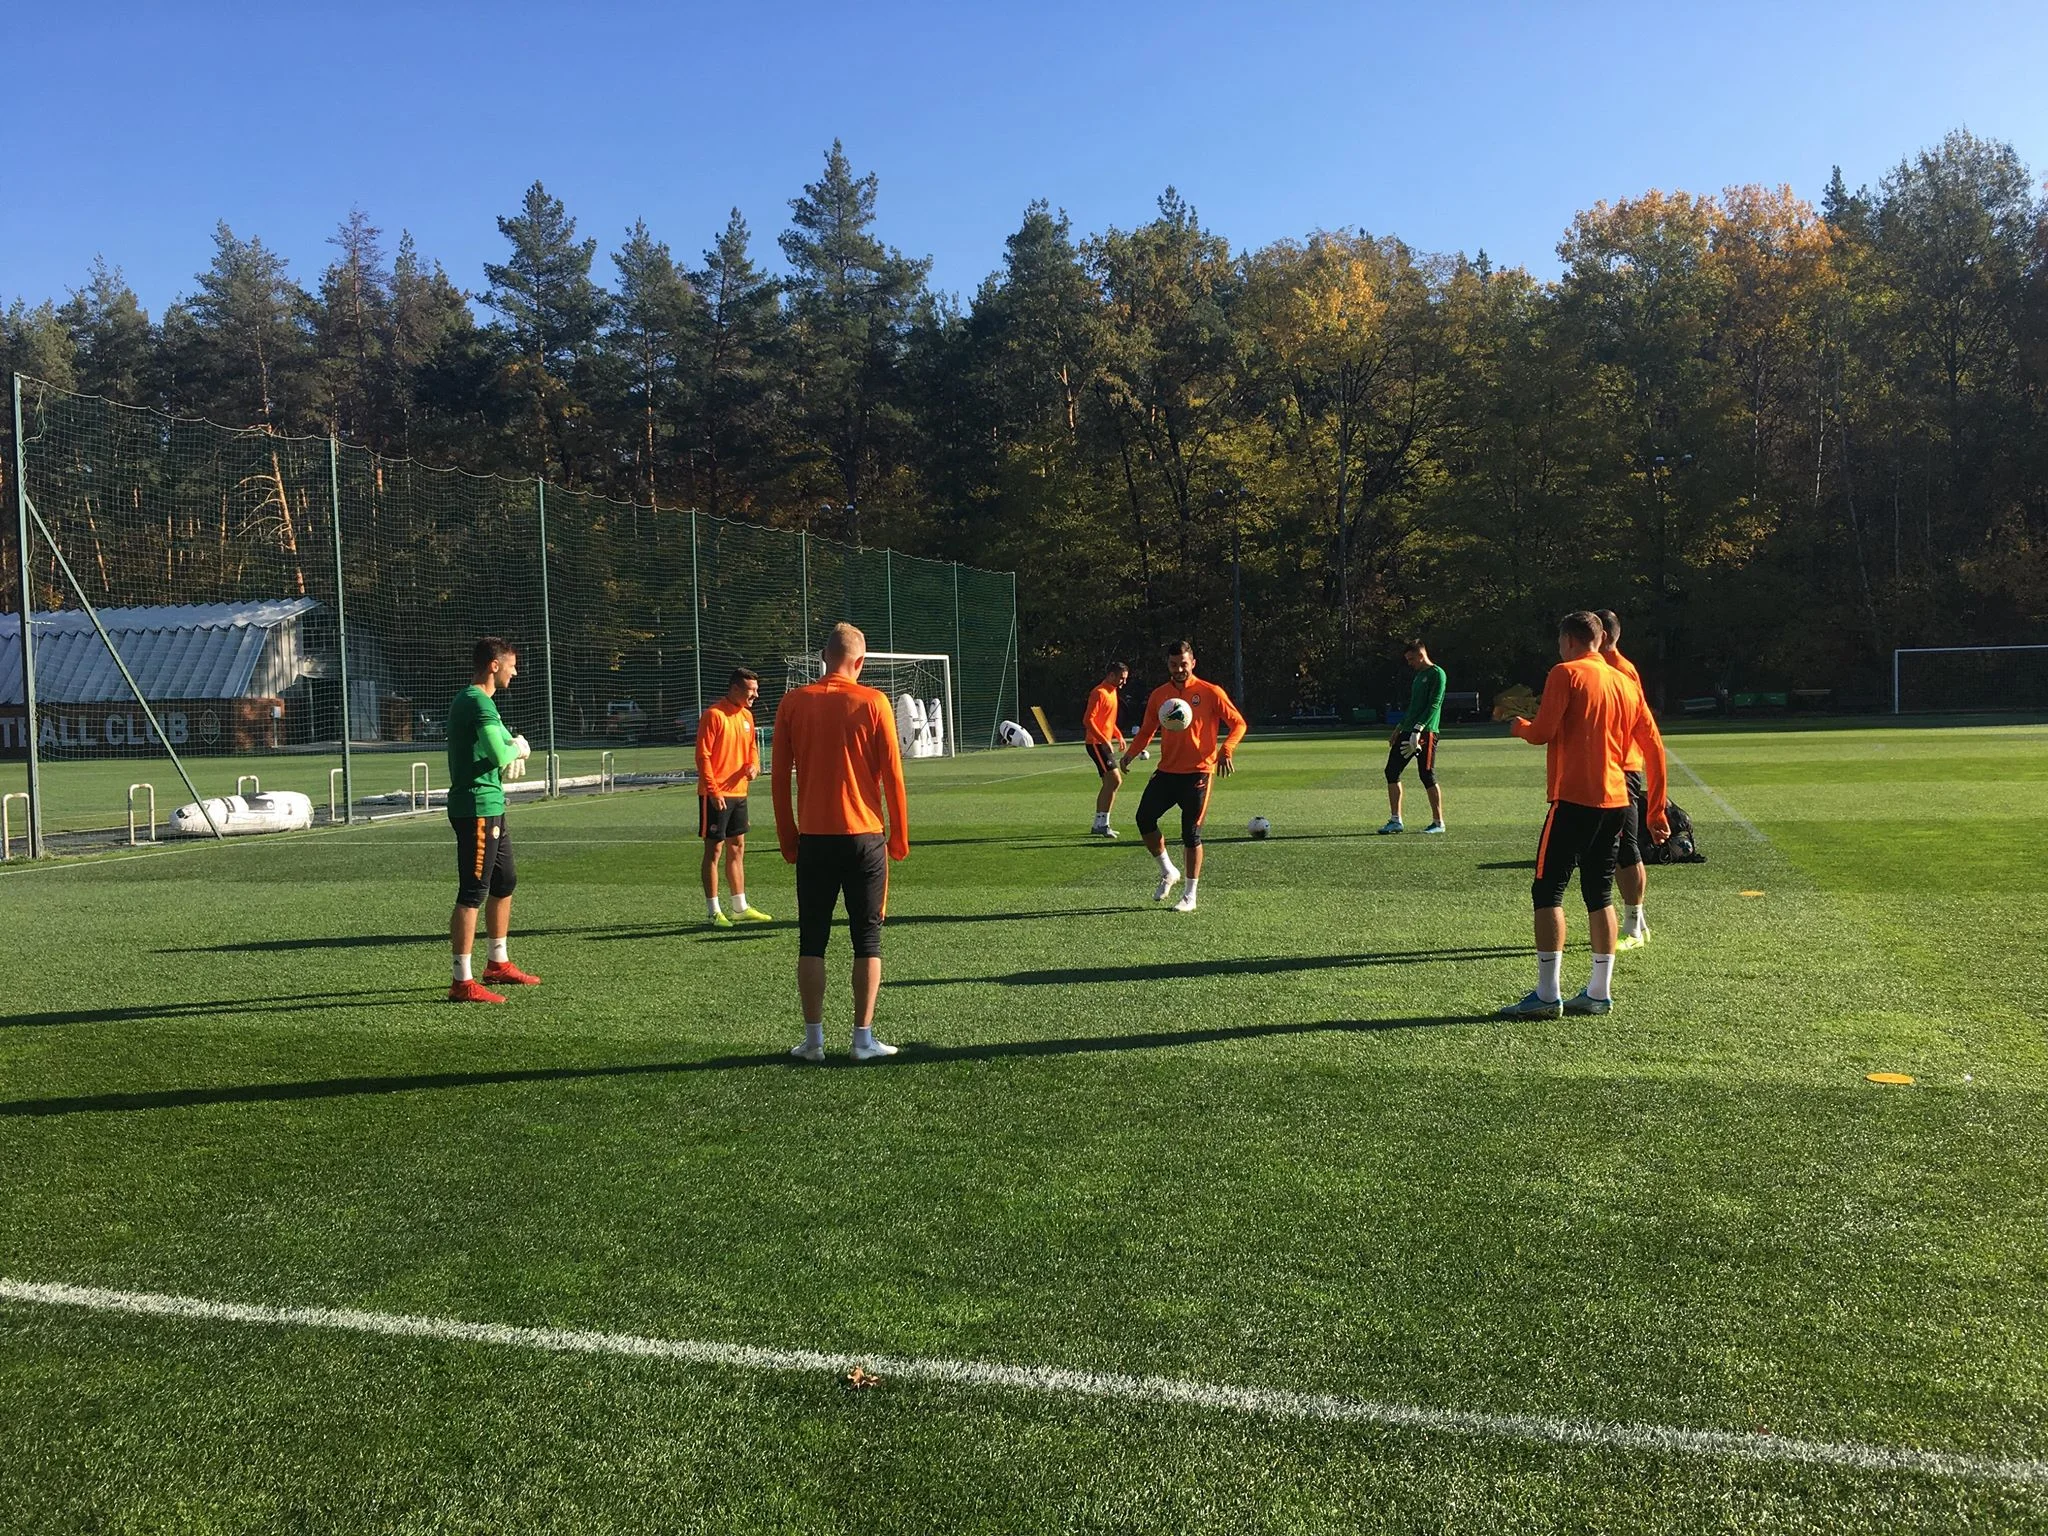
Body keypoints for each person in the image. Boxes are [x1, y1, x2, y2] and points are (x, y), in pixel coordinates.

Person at [1500, 611, 1667, 1018]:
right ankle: (1598, 991)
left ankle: (1546, 993)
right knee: (1599, 893)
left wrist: (1519, 726)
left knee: (1548, 891)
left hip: (1575, 797)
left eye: (1560, 643)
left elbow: (1542, 733)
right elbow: (1652, 744)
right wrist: (1656, 808)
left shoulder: (1565, 673)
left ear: (1570, 641)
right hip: (1617, 799)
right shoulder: (1624, 681)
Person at [772, 622, 910, 1063]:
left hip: (814, 837)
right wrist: (899, 836)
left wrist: (788, 837)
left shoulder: (794, 702)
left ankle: (813, 1042)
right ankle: (862, 1040)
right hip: (864, 836)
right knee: (867, 939)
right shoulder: (874, 702)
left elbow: (778, 779)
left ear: (823, 658)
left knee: (811, 940)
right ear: (860, 661)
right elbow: (893, 776)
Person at [1120, 639, 1248, 913]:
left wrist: (1226, 749)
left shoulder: (1210, 692)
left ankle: (1190, 895)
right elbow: (1147, 729)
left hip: (1198, 772)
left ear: (1193, 663)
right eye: (1173, 664)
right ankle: (1168, 870)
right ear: (1168, 665)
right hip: (1167, 771)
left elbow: (1238, 723)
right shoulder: (1160, 695)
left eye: (1183, 664)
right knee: (1144, 818)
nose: (1179, 669)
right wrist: (1131, 753)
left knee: (1190, 834)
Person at [445, 637, 539, 1003]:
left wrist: (514, 743)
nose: (516, 672)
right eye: (512, 666)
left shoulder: (484, 702)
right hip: (477, 807)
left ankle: (497, 963)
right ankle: (461, 981)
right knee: (473, 892)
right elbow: (501, 753)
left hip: (492, 805)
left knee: (505, 881)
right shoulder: (476, 701)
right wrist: (518, 747)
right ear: (494, 665)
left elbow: (500, 744)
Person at [1596, 610, 1660, 949]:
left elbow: (1639, 724)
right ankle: (1638, 923)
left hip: (1622, 767)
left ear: (1603, 636)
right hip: (1612, 765)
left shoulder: (1619, 669)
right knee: (1615, 846)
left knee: (1624, 846)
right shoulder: (1605, 667)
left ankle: (1634, 926)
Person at [696, 667, 775, 927]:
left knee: (738, 846)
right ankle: (713, 911)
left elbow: (752, 748)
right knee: (715, 849)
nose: (756, 695)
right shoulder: (714, 715)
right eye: (751, 690)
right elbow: (703, 756)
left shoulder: (747, 716)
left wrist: (754, 766)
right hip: (716, 794)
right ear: (735, 689)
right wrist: (713, 790)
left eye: (756, 690)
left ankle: (740, 907)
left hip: (739, 792)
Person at [1378, 639, 1447, 835]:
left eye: (1411, 659)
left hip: (1426, 731)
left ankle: (1438, 822)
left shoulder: (1437, 674)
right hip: (1409, 730)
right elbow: (1414, 707)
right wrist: (1399, 728)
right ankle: (1395, 820)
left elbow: (1434, 705)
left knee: (1426, 774)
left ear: (1421, 655)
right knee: (1391, 771)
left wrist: (1418, 730)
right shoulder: (1418, 677)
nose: (1409, 663)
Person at [1084, 662, 1130, 838]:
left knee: (1110, 782)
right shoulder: (1099, 692)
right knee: (1115, 780)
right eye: (1121, 678)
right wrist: (1104, 740)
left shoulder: (1113, 692)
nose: (1123, 682)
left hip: (1102, 743)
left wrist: (1118, 735)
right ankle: (1102, 824)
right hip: (1096, 744)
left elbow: (1107, 720)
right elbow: (1088, 720)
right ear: (1111, 675)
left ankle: (1100, 824)